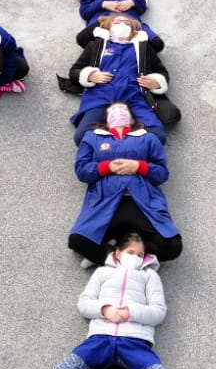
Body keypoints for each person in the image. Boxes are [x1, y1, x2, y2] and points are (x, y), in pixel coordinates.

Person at [57, 233, 171, 369]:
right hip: (100, 339)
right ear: (118, 253)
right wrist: (105, 309)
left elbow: (158, 312)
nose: (135, 256)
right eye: (131, 252)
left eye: (140, 254)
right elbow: (84, 303)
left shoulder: (150, 276)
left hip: (134, 342)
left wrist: (129, 313)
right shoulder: (102, 272)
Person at [70, 102, 182, 264]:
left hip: (142, 202)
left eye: (123, 109)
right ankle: (131, 259)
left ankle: (114, 256)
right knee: (78, 240)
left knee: (172, 247)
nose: (118, 111)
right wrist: (107, 167)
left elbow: (162, 174)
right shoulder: (92, 138)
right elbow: (82, 171)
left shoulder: (148, 138)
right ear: (106, 120)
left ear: (132, 119)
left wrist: (139, 166)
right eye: (113, 110)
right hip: (104, 202)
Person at [67, 16, 173, 143]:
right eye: (117, 22)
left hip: (135, 98)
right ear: (109, 28)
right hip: (100, 97)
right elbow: (75, 70)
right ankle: (112, 151)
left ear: (133, 31)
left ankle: (129, 150)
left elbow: (162, 72)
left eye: (127, 23)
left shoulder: (144, 49)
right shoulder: (95, 46)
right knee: (82, 136)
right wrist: (90, 75)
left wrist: (155, 82)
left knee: (157, 135)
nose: (122, 24)